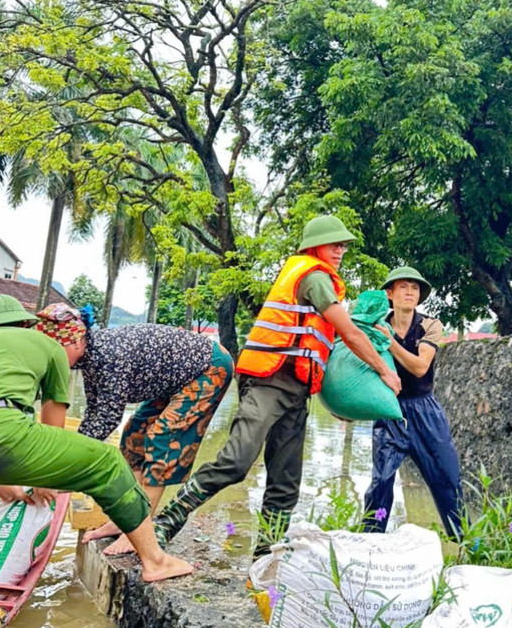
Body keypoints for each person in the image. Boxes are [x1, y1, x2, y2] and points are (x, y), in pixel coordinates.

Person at [152, 216, 402, 555]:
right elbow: (351, 333)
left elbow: (317, 349)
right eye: (335, 244)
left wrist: (337, 403)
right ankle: (166, 522)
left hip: (297, 390)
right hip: (268, 382)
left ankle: (264, 557)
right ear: (315, 246)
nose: (341, 250)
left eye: (343, 245)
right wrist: (385, 372)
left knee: (285, 483)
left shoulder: (321, 279)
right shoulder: (313, 276)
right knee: (237, 461)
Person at [0, 294, 191, 582]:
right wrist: (41, 480)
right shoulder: (46, 346)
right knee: (106, 462)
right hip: (0, 429)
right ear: (23, 323)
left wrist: (0, 485)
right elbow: (52, 427)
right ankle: (156, 562)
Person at [35, 304, 234, 557]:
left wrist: (63, 470)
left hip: (208, 368)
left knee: (164, 438)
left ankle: (141, 531)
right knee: (133, 437)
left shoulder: (108, 356)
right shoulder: (91, 357)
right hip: (173, 378)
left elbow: (106, 419)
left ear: (75, 341)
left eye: (54, 351)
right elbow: (95, 411)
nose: (51, 360)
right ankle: (125, 519)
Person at [363, 266, 464, 540]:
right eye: (403, 287)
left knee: (447, 478)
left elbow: (420, 367)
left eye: (415, 288)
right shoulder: (374, 326)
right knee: (381, 482)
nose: (409, 293)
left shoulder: (430, 325)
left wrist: (390, 342)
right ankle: (370, 543)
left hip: (424, 410)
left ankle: (466, 543)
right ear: (390, 293)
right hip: (389, 411)